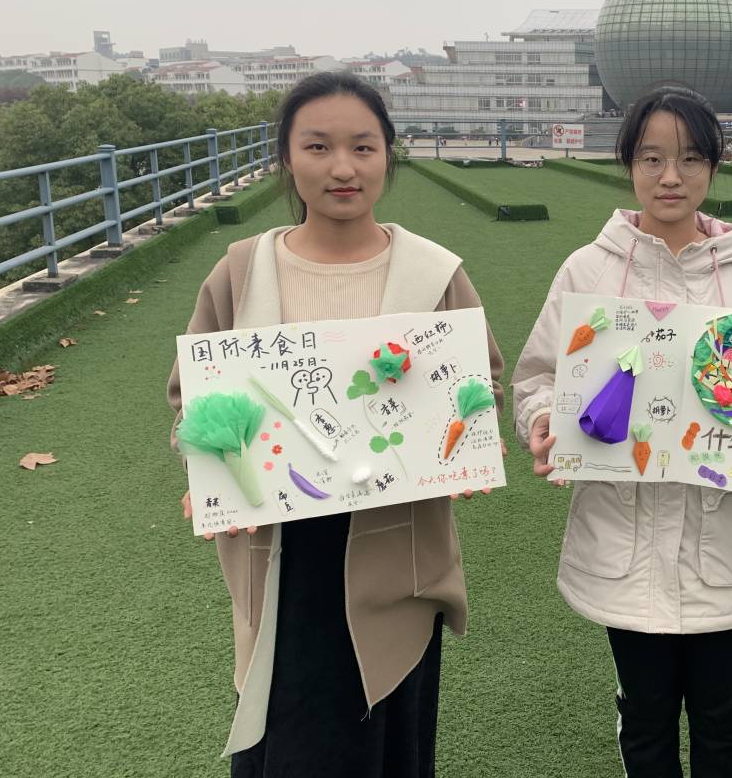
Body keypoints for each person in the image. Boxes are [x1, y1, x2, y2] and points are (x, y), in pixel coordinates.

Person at [166, 72, 504, 777]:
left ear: (388, 155)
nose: (342, 167)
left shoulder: (435, 273)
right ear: (286, 157)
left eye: (363, 147)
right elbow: (192, 401)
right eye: (318, 146)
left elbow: (480, 383)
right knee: (288, 734)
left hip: (396, 552)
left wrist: (468, 440)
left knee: (383, 736)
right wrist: (208, 471)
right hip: (282, 552)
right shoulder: (241, 270)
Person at [512, 85, 732, 777]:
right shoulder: (588, 269)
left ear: (713, 166)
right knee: (646, 716)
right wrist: (542, 421)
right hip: (621, 544)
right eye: (651, 158)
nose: (670, 177)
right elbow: (537, 378)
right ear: (628, 163)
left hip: (729, 547)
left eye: (689, 159)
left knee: (725, 717)